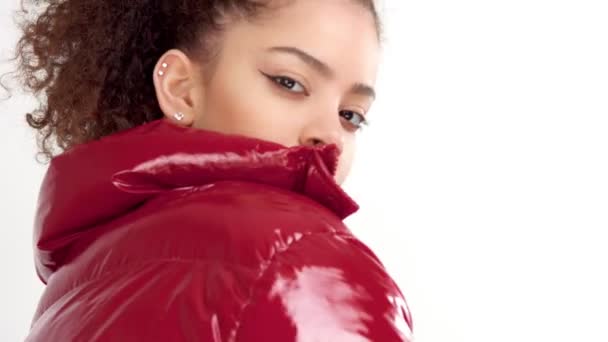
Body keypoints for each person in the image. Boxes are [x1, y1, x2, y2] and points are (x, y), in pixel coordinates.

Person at [12, 0, 413, 340]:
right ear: (182, 88)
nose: (328, 136)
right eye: (289, 83)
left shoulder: (71, 292)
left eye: (351, 115)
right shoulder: (310, 267)